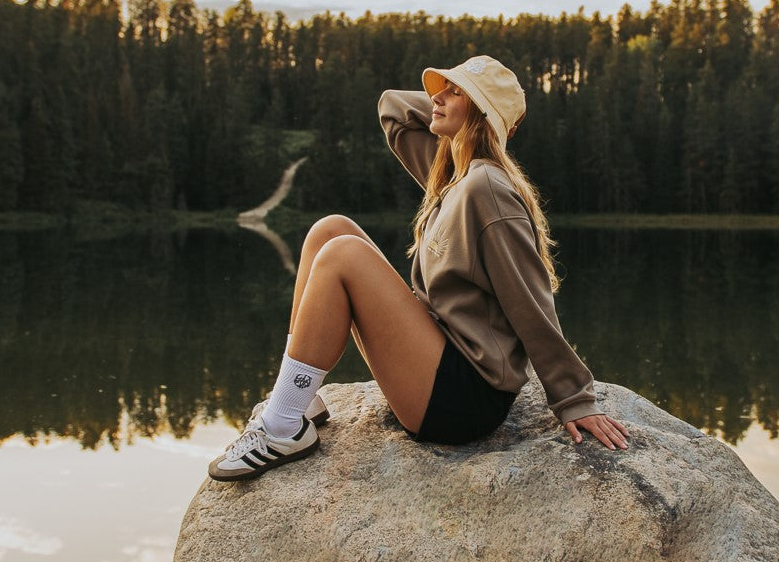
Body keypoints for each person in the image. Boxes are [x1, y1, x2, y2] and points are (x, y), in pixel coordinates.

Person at [208, 56, 628, 481]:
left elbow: (530, 299)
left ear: (484, 115)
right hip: (439, 355)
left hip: (464, 398)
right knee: (329, 231)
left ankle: (281, 427)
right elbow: (393, 109)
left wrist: (573, 398)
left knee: (344, 255)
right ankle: (299, 399)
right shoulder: (452, 174)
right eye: (440, 90)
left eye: (456, 93)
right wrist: (455, 105)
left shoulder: (487, 190)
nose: (437, 98)